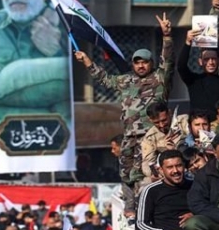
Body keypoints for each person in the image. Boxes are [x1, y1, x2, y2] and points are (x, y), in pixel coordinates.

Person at [74, 12, 174, 188]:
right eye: (137, 62)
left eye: (144, 62)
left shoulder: (159, 78)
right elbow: (104, 78)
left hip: (151, 136)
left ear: (151, 63)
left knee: (147, 173)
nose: (141, 65)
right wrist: (87, 61)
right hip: (129, 135)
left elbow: (168, 59)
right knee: (126, 174)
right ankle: (132, 202)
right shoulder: (125, 80)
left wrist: (166, 36)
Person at [177, 29, 219, 120]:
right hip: (200, 125)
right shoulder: (193, 81)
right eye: (206, 59)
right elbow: (181, 66)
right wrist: (188, 43)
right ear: (200, 61)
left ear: (218, 60)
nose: (210, 62)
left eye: (213, 59)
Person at [137, 150, 193, 230]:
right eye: (170, 167)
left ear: (184, 166)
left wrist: (195, 215)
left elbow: (209, 209)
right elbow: (140, 224)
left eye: (179, 166)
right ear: (161, 170)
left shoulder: (195, 186)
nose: (175, 171)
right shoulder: (151, 191)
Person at [140, 102, 189, 180]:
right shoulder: (150, 137)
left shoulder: (183, 121)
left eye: (164, 120)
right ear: (150, 120)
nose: (161, 125)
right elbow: (147, 162)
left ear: (169, 113)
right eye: (156, 122)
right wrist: (155, 173)